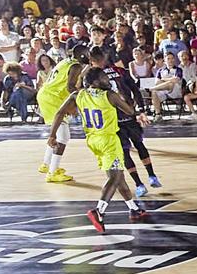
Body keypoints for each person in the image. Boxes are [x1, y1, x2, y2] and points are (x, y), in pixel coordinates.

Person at [47, 67, 148, 233]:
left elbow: (59, 113)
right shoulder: (109, 95)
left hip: (92, 140)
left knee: (118, 176)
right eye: (104, 77)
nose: (107, 80)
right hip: (109, 140)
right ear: (95, 81)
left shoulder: (78, 95)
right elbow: (129, 111)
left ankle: (133, 208)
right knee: (115, 177)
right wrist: (130, 104)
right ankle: (99, 211)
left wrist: (52, 135)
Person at [92, 47, 162, 198]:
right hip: (124, 115)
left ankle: (143, 181)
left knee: (129, 150)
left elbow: (134, 89)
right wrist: (141, 109)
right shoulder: (118, 71)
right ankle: (146, 179)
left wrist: (140, 110)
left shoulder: (96, 76)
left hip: (118, 117)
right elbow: (135, 90)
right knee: (134, 147)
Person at [37, 44, 88, 183]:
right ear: (82, 55)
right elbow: (70, 87)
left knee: (59, 133)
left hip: (46, 94)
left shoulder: (66, 61)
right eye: (87, 53)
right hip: (52, 98)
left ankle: (46, 164)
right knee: (63, 136)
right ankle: (52, 173)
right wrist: (81, 98)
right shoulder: (76, 66)